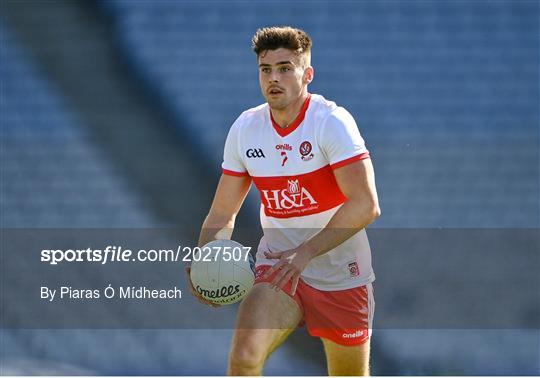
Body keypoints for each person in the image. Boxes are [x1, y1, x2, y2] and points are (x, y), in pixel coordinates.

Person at [186, 26, 380, 376]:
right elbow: (222, 212)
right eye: (265, 69)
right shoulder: (246, 129)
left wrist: (304, 252)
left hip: (342, 275)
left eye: (285, 68)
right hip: (277, 270)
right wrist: (205, 261)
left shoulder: (331, 122)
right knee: (245, 356)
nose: (273, 78)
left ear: (307, 74)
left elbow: (366, 204)